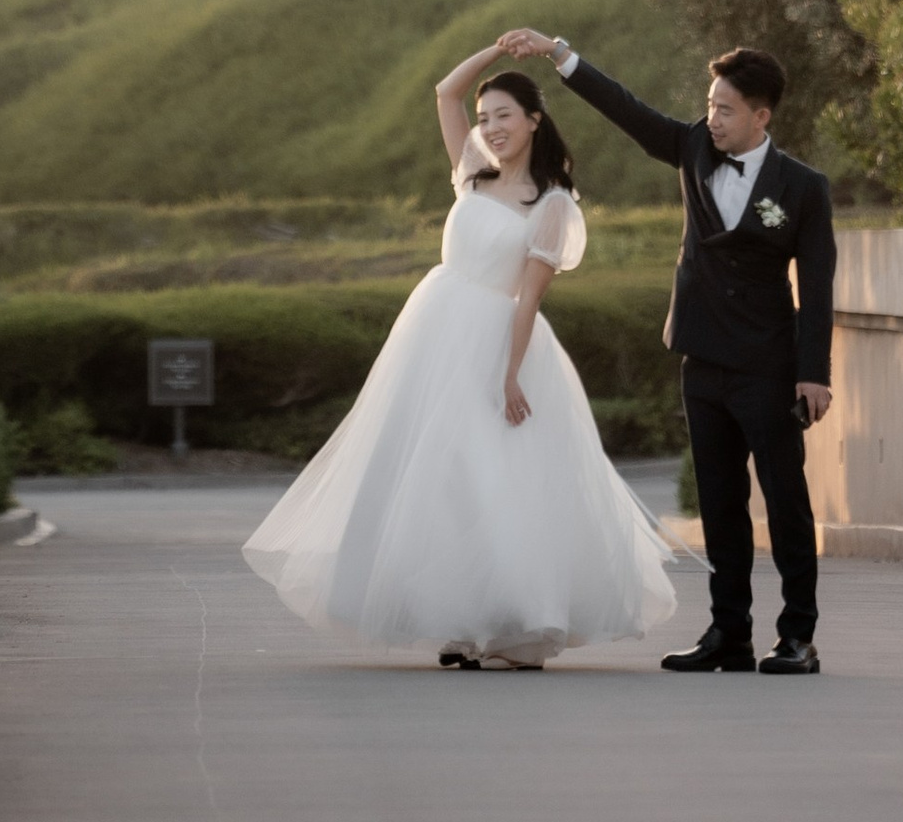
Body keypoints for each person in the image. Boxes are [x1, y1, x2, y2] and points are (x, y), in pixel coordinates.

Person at [242, 56, 677, 667]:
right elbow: (445, 93)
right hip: (434, 337)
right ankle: (459, 627)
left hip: (498, 342)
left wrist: (510, 372)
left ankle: (516, 628)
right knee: (437, 476)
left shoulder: (549, 203)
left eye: (504, 115)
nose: (492, 127)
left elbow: (529, 298)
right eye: (485, 117)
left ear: (534, 120)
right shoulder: (473, 174)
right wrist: (498, 54)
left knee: (495, 480)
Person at [492, 26, 835, 675]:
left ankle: (797, 636)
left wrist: (813, 375)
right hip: (702, 361)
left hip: (768, 366)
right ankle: (728, 634)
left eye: (727, 109)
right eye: (710, 105)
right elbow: (626, 109)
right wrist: (558, 51)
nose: (713, 118)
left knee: (786, 501)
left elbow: (816, 290)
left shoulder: (803, 189)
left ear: (761, 116)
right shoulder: (691, 148)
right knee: (719, 502)